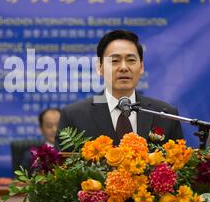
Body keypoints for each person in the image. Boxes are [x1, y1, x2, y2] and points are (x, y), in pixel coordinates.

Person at [55, 29, 184, 148]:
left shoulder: (165, 115)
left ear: (141, 67)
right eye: (115, 61)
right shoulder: (74, 115)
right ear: (99, 67)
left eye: (131, 60)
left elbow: (180, 168)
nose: (123, 67)